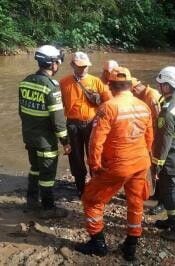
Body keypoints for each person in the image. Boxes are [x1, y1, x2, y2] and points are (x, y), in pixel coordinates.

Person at [75, 67, 153, 262]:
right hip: (141, 162)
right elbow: (150, 138)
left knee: (92, 200)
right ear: (129, 85)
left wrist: (94, 165)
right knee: (135, 202)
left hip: (118, 164)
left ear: (109, 85)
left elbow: (96, 141)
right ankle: (131, 246)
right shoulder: (144, 106)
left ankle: (98, 243)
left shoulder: (108, 107)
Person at [18, 45, 71, 219]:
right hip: (46, 141)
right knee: (47, 174)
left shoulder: (25, 81)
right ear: (52, 63)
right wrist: (65, 141)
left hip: (29, 137)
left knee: (34, 168)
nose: (58, 65)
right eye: (57, 62)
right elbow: (58, 120)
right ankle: (48, 208)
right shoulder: (51, 87)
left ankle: (32, 201)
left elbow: (22, 112)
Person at [59, 52, 111, 197]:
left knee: (94, 155)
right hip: (72, 125)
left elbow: (110, 102)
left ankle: (95, 186)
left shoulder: (96, 82)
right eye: (80, 66)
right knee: (75, 157)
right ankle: (80, 188)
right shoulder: (64, 82)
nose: (83, 69)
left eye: (86, 66)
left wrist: (102, 110)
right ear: (72, 65)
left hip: (91, 124)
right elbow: (59, 105)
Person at [151, 66, 175, 242]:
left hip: (170, 160)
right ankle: (172, 221)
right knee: (172, 191)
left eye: (160, 84)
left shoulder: (167, 112)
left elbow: (163, 142)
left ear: (167, 86)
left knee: (171, 194)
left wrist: (157, 164)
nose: (158, 87)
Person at [131, 77, 164, 215]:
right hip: (150, 139)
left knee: (160, 171)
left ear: (135, 89)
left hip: (158, 140)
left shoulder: (151, 97)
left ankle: (162, 202)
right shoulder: (143, 96)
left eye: (132, 93)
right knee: (153, 169)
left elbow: (161, 121)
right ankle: (156, 195)